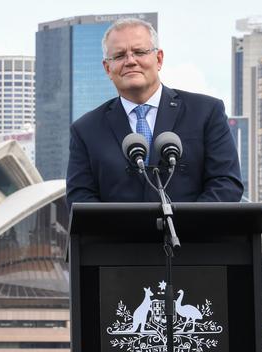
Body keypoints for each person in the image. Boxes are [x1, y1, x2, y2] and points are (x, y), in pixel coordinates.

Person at [65, 18, 243, 211]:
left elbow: (226, 184)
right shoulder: (86, 129)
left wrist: (184, 227)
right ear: (107, 68)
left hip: (193, 238)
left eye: (139, 52)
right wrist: (127, 233)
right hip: (119, 239)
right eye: (119, 56)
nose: (130, 61)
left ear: (158, 59)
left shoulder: (206, 112)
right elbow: (80, 197)